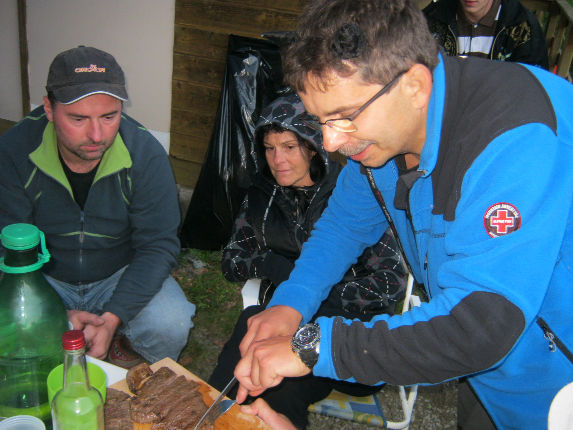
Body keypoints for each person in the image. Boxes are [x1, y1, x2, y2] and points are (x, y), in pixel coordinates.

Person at [232, 0, 573, 429]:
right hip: (490, 370)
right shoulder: (385, 133)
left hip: (559, 375)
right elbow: (344, 226)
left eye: (344, 118)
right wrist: (291, 303)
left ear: (414, 85)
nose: (332, 144)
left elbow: (479, 326)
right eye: (322, 122)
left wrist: (312, 346)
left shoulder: (514, 137)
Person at [208, 93, 407, 429]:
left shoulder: (351, 194)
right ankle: (210, 411)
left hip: (350, 339)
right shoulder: (261, 197)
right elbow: (232, 261)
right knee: (253, 326)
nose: (277, 159)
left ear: (313, 147)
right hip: (287, 317)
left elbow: (391, 284)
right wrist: (277, 269)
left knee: (280, 387)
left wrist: (315, 292)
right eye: (270, 148)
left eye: (288, 147)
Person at [0, 46, 196, 368]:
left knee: (171, 324)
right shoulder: (13, 152)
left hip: (118, 272)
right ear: (49, 109)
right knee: (17, 323)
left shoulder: (145, 155)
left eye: (109, 116)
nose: (96, 135)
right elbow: (7, 247)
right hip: (42, 276)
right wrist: (50, 310)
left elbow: (158, 245)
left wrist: (113, 317)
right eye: (78, 118)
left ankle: (121, 346)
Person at [423, 0, 548, 69]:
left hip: (499, 111)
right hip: (444, 109)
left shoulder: (524, 28)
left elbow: (532, 86)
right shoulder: (432, 18)